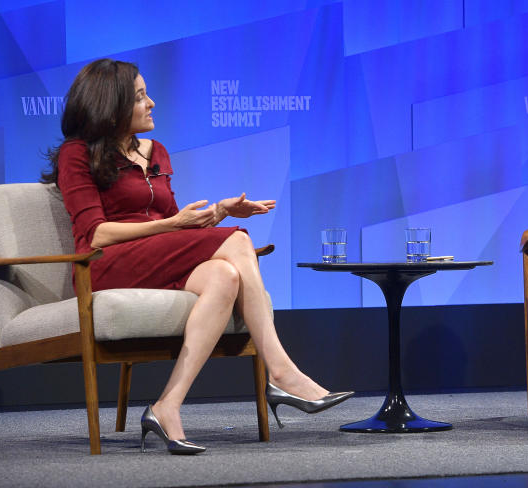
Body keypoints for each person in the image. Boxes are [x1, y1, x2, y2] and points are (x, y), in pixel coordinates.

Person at [42, 58, 352, 455]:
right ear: (112, 105)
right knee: (238, 244)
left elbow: (174, 229)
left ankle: (166, 406)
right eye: (140, 97)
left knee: (226, 275)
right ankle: (281, 371)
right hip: (106, 265)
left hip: (157, 257)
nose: (151, 103)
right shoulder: (76, 154)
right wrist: (172, 225)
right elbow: (95, 234)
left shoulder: (157, 152)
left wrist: (218, 213)